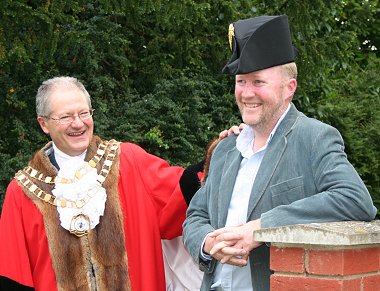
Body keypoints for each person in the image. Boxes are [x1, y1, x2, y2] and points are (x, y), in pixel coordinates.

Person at [183, 14, 377, 291]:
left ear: (290, 88)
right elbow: (195, 217)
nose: (246, 93)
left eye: (258, 82)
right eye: (241, 81)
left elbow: (356, 200)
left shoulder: (315, 137)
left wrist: (262, 228)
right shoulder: (226, 147)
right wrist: (207, 243)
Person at [0, 76, 209, 291]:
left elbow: (182, 196)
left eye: (84, 113)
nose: (78, 123)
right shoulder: (22, 192)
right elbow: (14, 275)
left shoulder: (129, 161)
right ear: (44, 123)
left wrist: (221, 157)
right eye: (66, 117)